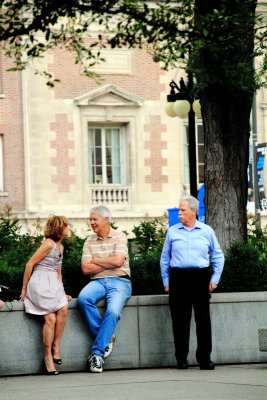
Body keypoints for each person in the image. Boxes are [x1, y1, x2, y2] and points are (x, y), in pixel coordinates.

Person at [160, 195, 224, 370]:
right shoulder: (173, 231)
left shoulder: (206, 231)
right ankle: (181, 358)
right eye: (179, 210)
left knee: (203, 320)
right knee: (180, 321)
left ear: (194, 211)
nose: (179, 213)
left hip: (200, 277)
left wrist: (214, 279)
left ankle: (205, 359)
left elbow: (218, 255)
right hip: (178, 278)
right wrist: (166, 281)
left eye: (183, 210)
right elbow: (165, 258)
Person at [78, 205, 131, 373]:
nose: (92, 222)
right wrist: (109, 261)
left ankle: (97, 354)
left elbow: (118, 262)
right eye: (91, 219)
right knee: (83, 298)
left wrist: (96, 261)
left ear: (106, 219)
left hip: (120, 281)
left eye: (95, 219)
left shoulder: (120, 236)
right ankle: (106, 336)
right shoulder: (89, 240)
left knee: (113, 311)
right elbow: (85, 269)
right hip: (98, 282)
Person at [20, 216, 71, 375]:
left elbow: (58, 271)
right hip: (40, 282)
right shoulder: (48, 243)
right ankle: (48, 357)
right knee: (51, 318)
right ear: (59, 228)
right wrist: (24, 289)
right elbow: (30, 264)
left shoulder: (60, 247)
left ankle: (56, 345)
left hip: (53, 283)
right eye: (66, 226)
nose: (68, 229)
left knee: (63, 309)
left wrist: (61, 292)